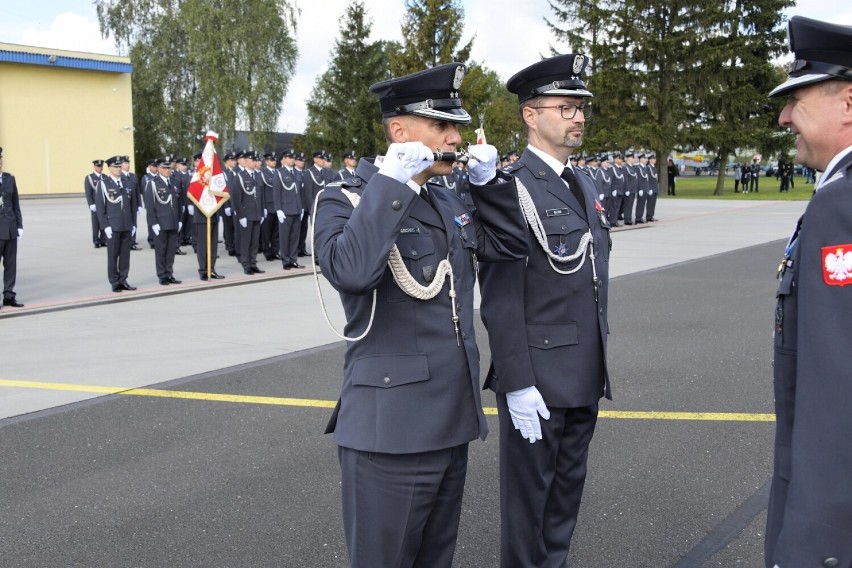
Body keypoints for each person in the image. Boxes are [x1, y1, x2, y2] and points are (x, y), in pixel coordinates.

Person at [313, 62, 529, 568]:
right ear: (399, 131)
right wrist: (393, 184)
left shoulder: (446, 198)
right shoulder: (345, 199)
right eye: (442, 126)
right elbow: (351, 271)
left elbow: (508, 245)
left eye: (455, 126)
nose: (455, 138)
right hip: (391, 432)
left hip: (450, 421)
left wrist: (492, 183)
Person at [479, 53, 612, 568]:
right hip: (537, 379)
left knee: (563, 504)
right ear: (531, 116)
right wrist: (515, 380)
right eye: (566, 107)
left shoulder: (583, 183)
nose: (578, 116)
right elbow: (500, 293)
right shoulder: (508, 187)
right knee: (528, 510)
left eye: (581, 107)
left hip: (582, 372)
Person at [764, 15, 852, 568]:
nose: (784, 115)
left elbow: (835, 384)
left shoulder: (840, 204)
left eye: (798, 97)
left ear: (848, 104)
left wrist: (814, 539)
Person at [96, 155, 138, 292]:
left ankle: (123, 279)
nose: (119, 169)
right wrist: (105, 226)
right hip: (113, 226)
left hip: (126, 224)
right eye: (116, 166)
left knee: (125, 255)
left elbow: (132, 206)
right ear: (109, 168)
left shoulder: (127, 182)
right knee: (113, 255)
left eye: (120, 166)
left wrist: (133, 224)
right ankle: (114, 281)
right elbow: (100, 208)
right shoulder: (103, 184)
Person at [143, 157, 182, 285]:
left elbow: (179, 203)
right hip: (160, 223)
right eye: (164, 168)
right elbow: (149, 206)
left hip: (173, 222)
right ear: (158, 168)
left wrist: (180, 220)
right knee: (161, 251)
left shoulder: (175, 182)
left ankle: (169, 273)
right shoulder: (153, 183)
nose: (167, 170)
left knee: (171, 250)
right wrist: (153, 223)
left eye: (169, 168)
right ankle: (162, 275)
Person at [0, 146, 24, 308]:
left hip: (10, 229)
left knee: (11, 264)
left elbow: (15, 204)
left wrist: (20, 225)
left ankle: (9, 295)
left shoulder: (9, 179)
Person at [272, 149, 303, 270]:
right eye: (289, 157)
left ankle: (293, 259)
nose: (292, 159)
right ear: (284, 159)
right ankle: (285, 261)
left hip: (296, 209)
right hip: (285, 210)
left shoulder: (297, 172)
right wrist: (278, 209)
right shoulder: (279, 173)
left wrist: (300, 208)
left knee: (295, 237)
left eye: (293, 157)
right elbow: (276, 193)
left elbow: (298, 193)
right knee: (284, 237)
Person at [85, 159, 106, 248]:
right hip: (95, 205)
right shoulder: (89, 178)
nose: (100, 168)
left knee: (104, 222)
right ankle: (96, 240)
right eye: (98, 166)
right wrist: (91, 204)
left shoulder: (105, 177)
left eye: (101, 166)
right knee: (95, 223)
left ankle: (103, 240)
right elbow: (88, 192)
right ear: (94, 167)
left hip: (104, 204)